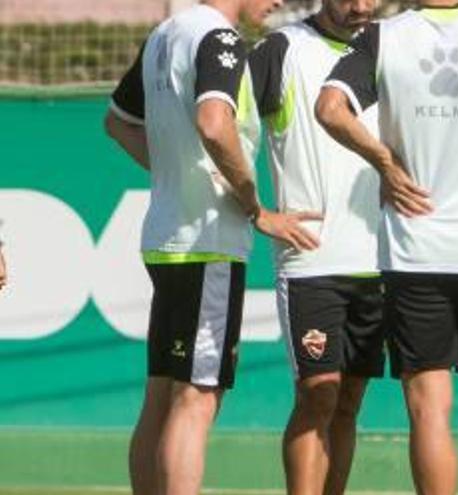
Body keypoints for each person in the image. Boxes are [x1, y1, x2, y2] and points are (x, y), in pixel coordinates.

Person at [315, 1, 458, 493]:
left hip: (414, 253)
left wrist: (384, 160)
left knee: (427, 410)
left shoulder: (382, 36)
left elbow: (329, 109)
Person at [103, 1, 319, 494]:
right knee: (197, 398)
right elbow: (214, 122)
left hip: (167, 238)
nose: (281, 3)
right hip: (207, 242)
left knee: (161, 396)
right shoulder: (219, 38)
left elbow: (117, 123)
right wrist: (254, 207)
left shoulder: (165, 34)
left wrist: (177, 178)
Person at [247, 0, 382, 493]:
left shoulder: (392, 46)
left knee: (349, 401)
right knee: (318, 395)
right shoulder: (282, 49)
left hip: (382, 259)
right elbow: (220, 127)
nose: (362, 7)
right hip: (312, 261)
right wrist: (257, 210)